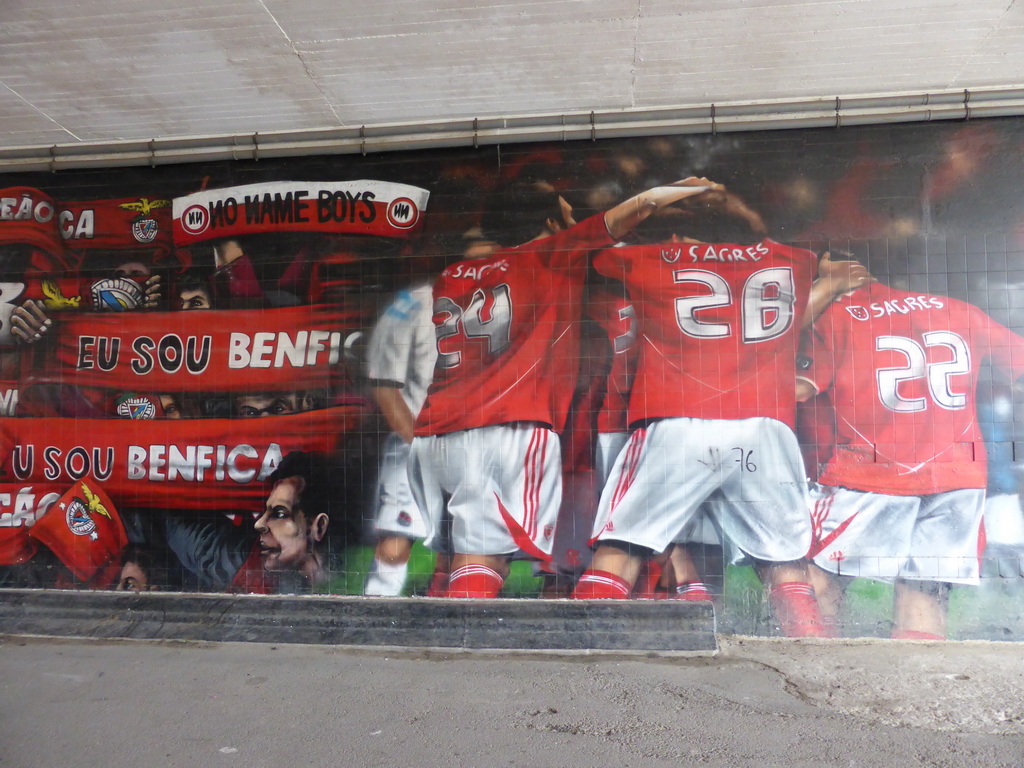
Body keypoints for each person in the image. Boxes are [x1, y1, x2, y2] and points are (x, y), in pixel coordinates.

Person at [571, 189, 869, 637]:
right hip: (765, 430)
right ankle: (815, 657)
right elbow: (786, 315)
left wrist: (662, 197)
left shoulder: (654, 258)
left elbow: (584, 250)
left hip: (680, 420)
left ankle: (576, 654)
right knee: (784, 563)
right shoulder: (794, 260)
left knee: (623, 543)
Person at [408, 176, 719, 598]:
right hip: (505, 428)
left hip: (434, 434)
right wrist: (680, 188)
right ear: (554, 222)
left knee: (465, 553)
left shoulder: (453, 274)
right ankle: (461, 654)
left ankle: (449, 637)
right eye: (568, 211)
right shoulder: (552, 254)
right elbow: (636, 209)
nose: (576, 217)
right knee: (486, 558)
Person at [797, 277, 1024, 640]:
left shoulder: (835, 315)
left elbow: (798, 388)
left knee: (816, 578)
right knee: (924, 591)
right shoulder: (960, 311)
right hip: (956, 476)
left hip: (871, 472)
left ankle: (811, 678)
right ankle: (919, 687)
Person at [363, 282, 443, 596]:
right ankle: (374, 616)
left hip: (474, 441)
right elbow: (384, 385)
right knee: (395, 542)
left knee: (463, 544)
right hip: (415, 441)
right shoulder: (412, 302)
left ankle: (447, 621)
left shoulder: (504, 293)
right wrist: (417, 442)